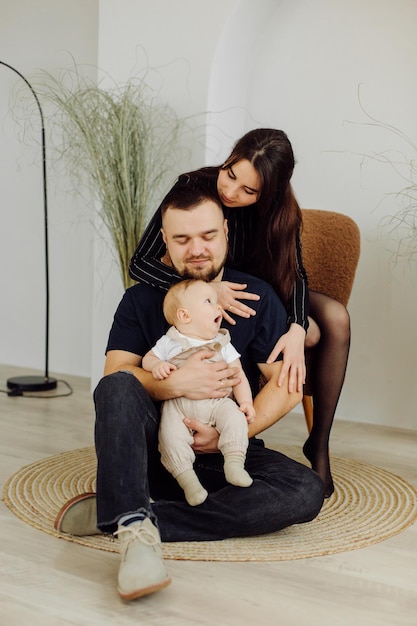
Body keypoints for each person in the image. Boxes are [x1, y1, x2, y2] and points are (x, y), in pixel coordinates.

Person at [55, 180, 324, 602]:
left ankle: (136, 518)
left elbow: (285, 388)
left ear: (226, 233)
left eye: (208, 235)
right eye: (182, 238)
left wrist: (229, 436)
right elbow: (115, 379)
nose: (196, 248)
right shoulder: (139, 301)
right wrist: (174, 384)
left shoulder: (255, 297)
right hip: (154, 448)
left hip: (225, 449)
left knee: (305, 492)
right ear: (164, 241)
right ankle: (137, 537)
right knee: (119, 385)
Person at [129, 128, 351, 497]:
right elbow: (140, 261)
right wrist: (207, 289)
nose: (230, 192)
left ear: (270, 193)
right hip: (217, 282)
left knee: (329, 324)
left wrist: (296, 329)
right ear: (229, 158)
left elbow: (295, 274)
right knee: (311, 330)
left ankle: (320, 443)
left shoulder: (283, 211)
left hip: (263, 290)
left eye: (249, 191)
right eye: (231, 174)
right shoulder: (193, 185)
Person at [143, 278, 255, 506]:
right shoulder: (170, 341)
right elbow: (148, 359)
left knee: (235, 418)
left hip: (217, 403)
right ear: (185, 316)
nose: (218, 307)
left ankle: (234, 463)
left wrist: (246, 402)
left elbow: (237, 374)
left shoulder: (221, 343)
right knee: (170, 437)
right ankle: (189, 483)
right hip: (178, 406)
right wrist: (157, 366)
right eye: (209, 301)